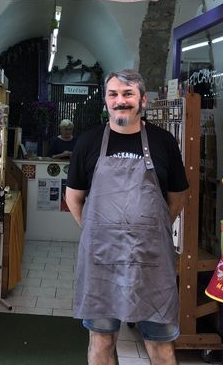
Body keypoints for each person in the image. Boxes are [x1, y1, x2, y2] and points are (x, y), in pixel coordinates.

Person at [65, 69, 188, 365]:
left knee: (160, 345)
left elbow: (178, 197)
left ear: (142, 100)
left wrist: (150, 229)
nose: (121, 101)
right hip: (101, 260)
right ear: (106, 101)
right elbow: (73, 197)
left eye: (128, 94)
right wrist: (97, 230)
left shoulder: (164, 142)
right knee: (101, 340)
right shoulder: (89, 142)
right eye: (114, 94)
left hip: (151, 261)